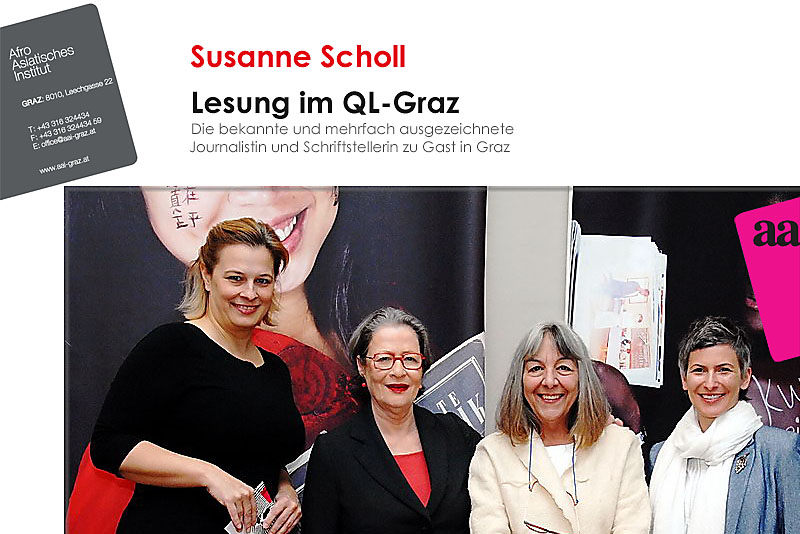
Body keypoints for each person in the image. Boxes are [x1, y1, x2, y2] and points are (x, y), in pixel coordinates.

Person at [90, 218, 306, 534]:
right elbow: (109, 445)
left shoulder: (275, 370)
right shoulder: (171, 347)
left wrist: (285, 490)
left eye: (262, 281)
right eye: (235, 278)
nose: (249, 293)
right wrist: (208, 475)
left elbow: (264, 457)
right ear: (206, 276)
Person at [302, 307, 481, 534]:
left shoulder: (456, 435)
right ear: (362, 366)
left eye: (410, 359)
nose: (398, 371)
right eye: (384, 359)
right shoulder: (334, 452)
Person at [469, 321, 650, 534]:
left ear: (582, 378)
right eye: (536, 368)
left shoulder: (621, 445)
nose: (549, 381)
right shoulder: (492, 453)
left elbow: (633, 527)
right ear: (520, 380)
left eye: (563, 368)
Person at [649, 316, 800, 534]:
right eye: (699, 370)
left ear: (745, 377)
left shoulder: (779, 451)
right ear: (684, 379)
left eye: (723, 370)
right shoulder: (660, 455)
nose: (710, 383)